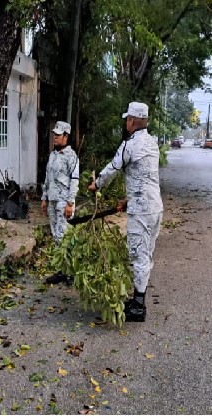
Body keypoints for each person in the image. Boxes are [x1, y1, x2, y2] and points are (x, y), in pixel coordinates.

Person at [87, 102, 163, 322]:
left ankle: (138, 307)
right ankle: (139, 297)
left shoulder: (130, 144)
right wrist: (127, 199)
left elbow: (112, 168)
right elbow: (145, 178)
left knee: (138, 255)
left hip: (141, 211)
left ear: (131, 121)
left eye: (126, 120)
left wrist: (96, 185)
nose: (125, 124)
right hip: (154, 207)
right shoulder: (152, 143)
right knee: (146, 254)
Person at [41, 121, 80, 284]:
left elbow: (75, 180)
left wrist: (71, 203)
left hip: (64, 202)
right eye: (54, 135)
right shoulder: (53, 155)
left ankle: (70, 271)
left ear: (66, 136)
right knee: (56, 236)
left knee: (64, 236)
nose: (55, 138)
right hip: (52, 200)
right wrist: (44, 198)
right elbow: (47, 178)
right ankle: (62, 270)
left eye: (58, 135)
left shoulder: (71, 157)